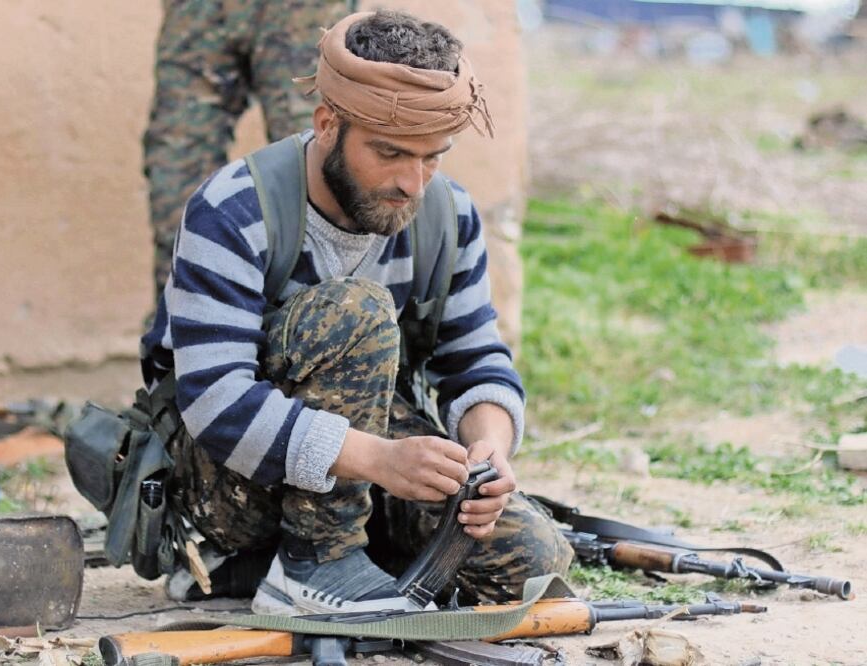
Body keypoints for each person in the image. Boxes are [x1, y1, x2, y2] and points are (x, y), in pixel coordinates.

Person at [139, 9, 572, 615]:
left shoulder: (448, 215)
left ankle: (305, 567)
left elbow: (475, 362)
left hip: (365, 460)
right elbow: (216, 403)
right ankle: (312, 565)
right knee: (359, 309)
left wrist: (488, 452)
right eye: (391, 153)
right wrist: (381, 461)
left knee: (527, 560)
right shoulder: (232, 209)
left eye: (432, 157)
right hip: (227, 481)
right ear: (326, 124)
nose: (412, 183)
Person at [143, 0, 351, 305]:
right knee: (176, 164)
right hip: (202, 9)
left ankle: (325, 328)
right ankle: (183, 324)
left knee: (319, 158)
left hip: (304, 10)